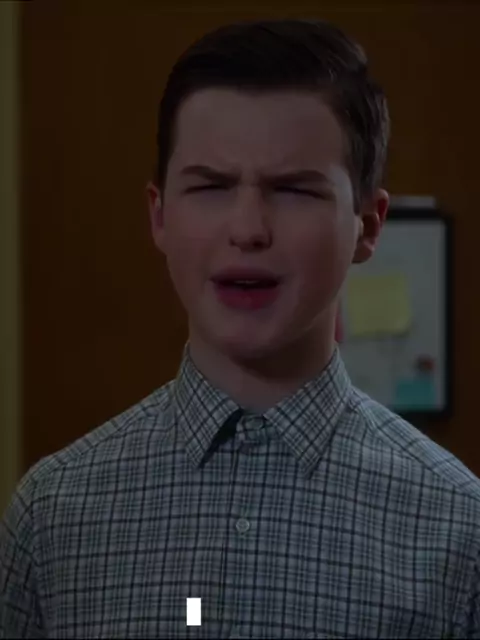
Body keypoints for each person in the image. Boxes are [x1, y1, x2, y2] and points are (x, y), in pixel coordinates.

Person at [1, 18, 479, 640]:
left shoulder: (458, 532)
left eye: (293, 190)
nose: (249, 229)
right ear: (159, 215)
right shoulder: (52, 518)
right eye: (211, 186)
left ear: (368, 225)